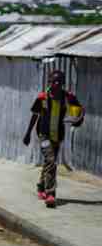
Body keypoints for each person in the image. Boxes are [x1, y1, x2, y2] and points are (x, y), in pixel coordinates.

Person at [23, 70, 84, 209]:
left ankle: (41, 186)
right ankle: (51, 193)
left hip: (58, 135)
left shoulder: (67, 96)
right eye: (53, 81)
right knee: (51, 161)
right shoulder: (42, 97)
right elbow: (34, 115)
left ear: (62, 83)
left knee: (48, 163)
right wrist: (28, 133)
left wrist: (78, 119)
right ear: (49, 82)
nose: (56, 84)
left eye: (59, 82)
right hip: (43, 135)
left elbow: (79, 109)